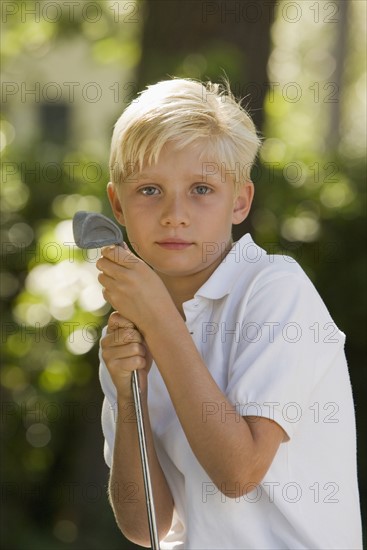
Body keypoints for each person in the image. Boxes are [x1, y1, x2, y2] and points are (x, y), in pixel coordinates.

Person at [96, 78, 362, 549]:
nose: (175, 214)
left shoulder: (274, 289)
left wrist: (160, 322)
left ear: (239, 201)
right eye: (150, 190)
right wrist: (127, 389)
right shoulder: (130, 332)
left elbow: (238, 474)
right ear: (118, 203)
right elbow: (148, 528)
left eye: (201, 189)